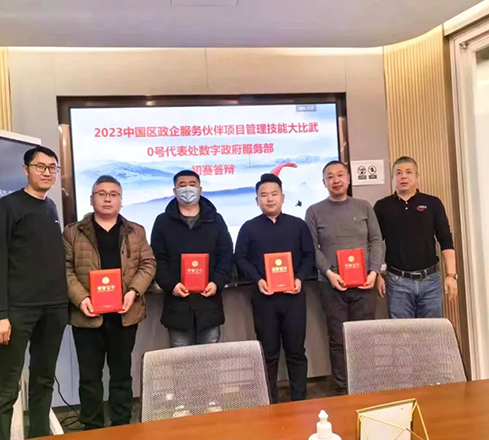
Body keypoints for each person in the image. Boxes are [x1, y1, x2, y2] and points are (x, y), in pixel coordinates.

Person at [0, 146, 68, 439]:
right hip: (18, 311)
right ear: (26, 170)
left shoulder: (51, 207)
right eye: (40, 166)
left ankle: (39, 434)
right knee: (6, 388)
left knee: (44, 381)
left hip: (54, 309)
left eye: (52, 167)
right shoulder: (7, 207)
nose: (47, 172)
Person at [63, 175, 156, 430]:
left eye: (113, 194)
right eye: (101, 193)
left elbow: (148, 264)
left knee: (121, 375)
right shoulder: (73, 232)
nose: (107, 198)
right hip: (87, 316)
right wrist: (81, 298)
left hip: (124, 315)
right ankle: (92, 427)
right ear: (91, 199)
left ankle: (122, 426)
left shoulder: (136, 231)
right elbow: (64, 269)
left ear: (121, 201)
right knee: (89, 377)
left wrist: (133, 291)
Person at [305, 160, 384, 395]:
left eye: (340, 175)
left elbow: (376, 240)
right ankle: (342, 389)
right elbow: (311, 248)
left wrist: (374, 271)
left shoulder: (363, 206)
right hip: (331, 285)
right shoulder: (314, 211)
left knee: (363, 337)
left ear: (348, 179)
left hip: (365, 283)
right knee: (338, 339)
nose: (336, 180)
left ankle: (365, 386)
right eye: (330, 176)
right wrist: (329, 273)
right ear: (323, 183)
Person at [235, 173, 315, 403]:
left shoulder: (298, 225)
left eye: (274, 194)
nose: (269, 199)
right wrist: (258, 279)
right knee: (268, 353)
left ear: (282, 197)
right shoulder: (249, 228)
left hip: (294, 297)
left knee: (296, 351)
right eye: (264, 195)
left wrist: (300, 278)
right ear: (257, 200)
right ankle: (269, 401)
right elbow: (240, 258)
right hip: (264, 299)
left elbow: (309, 255)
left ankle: (299, 399)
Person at [150, 170, 233, 347]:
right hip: (177, 304)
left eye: (192, 184)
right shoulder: (163, 222)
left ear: (200, 189)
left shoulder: (215, 220)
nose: (187, 189)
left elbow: (226, 255)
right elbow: (157, 259)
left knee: (210, 357)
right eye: (182, 185)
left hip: (209, 302)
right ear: (174, 191)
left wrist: (216, 282)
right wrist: (171, 285)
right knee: (181, 358)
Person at [373, 156, 458, 318]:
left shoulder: (433, 203)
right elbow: (375, 243)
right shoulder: (382, 206)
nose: (403, 176)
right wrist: (377, 274)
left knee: (432, 330)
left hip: (430, 281)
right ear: (392, 178)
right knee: (402, 332)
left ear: (417, 176)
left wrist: (451, 275)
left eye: (408, 172)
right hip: (397, 282)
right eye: (398, 173)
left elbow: (446, 239)